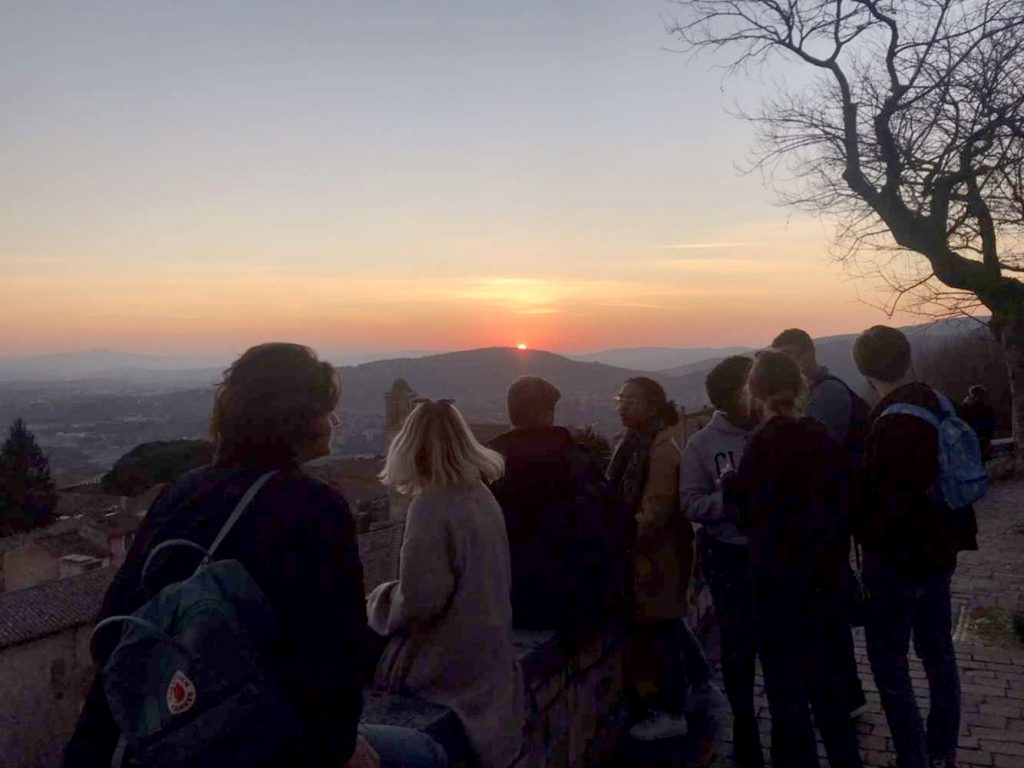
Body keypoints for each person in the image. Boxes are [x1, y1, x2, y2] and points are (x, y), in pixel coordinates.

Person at [63, 342, 446, 768]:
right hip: (236, 741)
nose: (334, 420)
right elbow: (333, 659)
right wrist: (339, 749)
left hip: (135, 739)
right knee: (425, 752)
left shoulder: (181, 491)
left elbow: (114, 623)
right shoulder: (314, 508)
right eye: (326, 409)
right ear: (301, 421)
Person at [724, 350, 863, 768]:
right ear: (800, 387)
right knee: (828, 688)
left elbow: (746, 517)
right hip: (826, 580)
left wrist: (731, 485)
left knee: (786, 693)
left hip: (777, 586)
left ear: (755, 391)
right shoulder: (820, 436)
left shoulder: (761, 446)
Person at [369, 399, 525, 768]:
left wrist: (379, 600)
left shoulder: (432, 505)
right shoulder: (479, 492)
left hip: (451, 659)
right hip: (490, 652)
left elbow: (422, 601)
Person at [853, 325, 978, 768]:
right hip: (939, 555)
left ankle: (913, 757)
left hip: (897, 565)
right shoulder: (938, 402)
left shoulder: (891, 421)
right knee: (939, 655)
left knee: (890, 665)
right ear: (906, 357)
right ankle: (942, 750)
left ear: (864, 368)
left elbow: (886, 506)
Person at [607, 376, 719, 742]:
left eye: (632, 400)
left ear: (652, 405)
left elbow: (654, 513)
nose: (623, 405)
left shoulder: (661, 450)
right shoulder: (637, 442)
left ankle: (671, 710)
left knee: (660, 630)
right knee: (669, 623)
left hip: (657, 556)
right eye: (621, 398)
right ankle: (701, 685)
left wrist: (616, 539)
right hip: (653, 556)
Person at [771, 328, 868, 718]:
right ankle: (844, 693)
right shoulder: (817, 393)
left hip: (826, 521)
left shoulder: (825, 394)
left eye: (793, 355)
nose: (790, 364)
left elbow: (814, 459)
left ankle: (843, 695)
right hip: (825, 518)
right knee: (826, 609)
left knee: (826, 610)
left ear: (809, 352)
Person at [487, 376, 633, 633]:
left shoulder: (490, 465)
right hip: (578, 601)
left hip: (511, 601)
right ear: (549, 412)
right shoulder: (578, 461)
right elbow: (618, 523)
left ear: (512, 412)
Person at [679, 356, 762, 767]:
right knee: (737, 645)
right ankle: (745, 722)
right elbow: (689, 502)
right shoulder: (701, 445)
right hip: (728, 556)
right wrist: (730, 503)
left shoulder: (775, 432)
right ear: (732, 398)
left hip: (775, 555)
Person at [960, 384, 996, 461]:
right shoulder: (966, 409)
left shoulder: (966, 408)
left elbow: (991, 424)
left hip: (978, 438)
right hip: (975, 438)